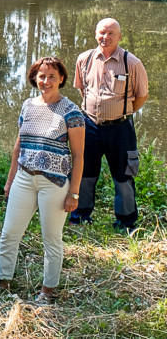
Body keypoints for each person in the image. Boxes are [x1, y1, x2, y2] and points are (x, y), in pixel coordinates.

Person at [0, 57, 85, 304]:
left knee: (51, 238)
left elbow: (78, 157)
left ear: (62, 79)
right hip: (24, 178)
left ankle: (47, 293)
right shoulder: (28, 105)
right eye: (41, 76)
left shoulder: (71, 111)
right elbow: (18, 147)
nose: (46, 81)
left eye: (51, 77)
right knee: (9, 233)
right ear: (35, 77)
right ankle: (3, 282)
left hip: (55, 184)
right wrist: (10, 180)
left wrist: (74, 193)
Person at [69, 18, 149, 231]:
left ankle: (126, 222)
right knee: (84, 173)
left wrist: (121, 112)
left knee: (124, 175)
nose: (106, 37)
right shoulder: (84, 59)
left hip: (120, 128)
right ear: (96, 34)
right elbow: (81, 89)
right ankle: (80, 216)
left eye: (111, 33)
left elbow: (141, 97)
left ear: (119, 36)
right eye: (102, 33)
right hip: (89, 126)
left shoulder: (131, 63)